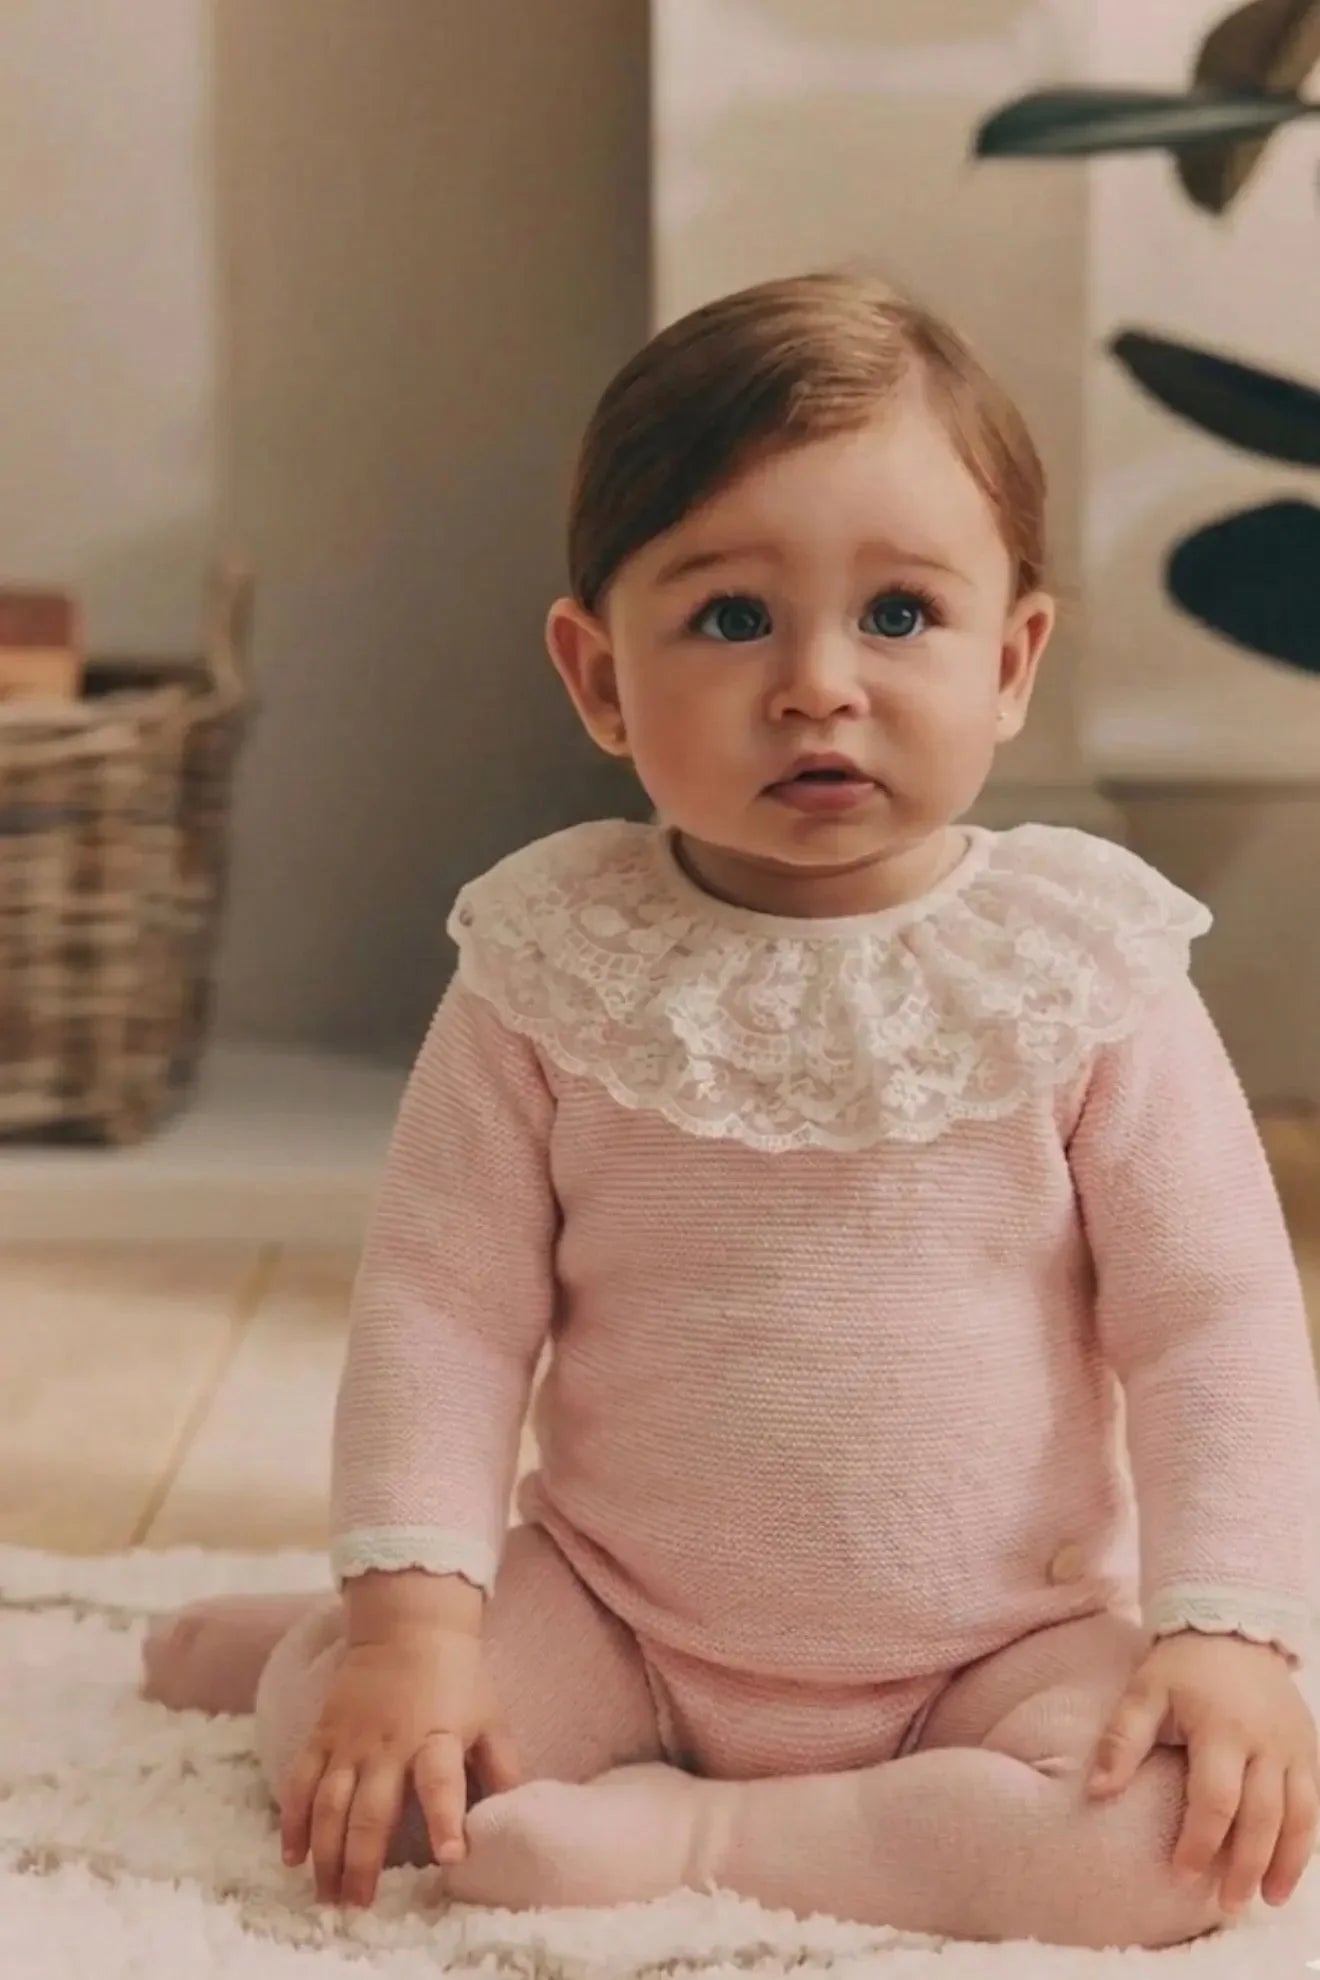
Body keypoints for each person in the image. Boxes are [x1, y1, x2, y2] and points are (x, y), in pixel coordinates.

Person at [142, 271, 1320, 1948]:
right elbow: (443, 1308)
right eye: (731, 617)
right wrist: (416, 1623)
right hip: (623, 1610)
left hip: (998, 1643)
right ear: (599, 674)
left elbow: (1214, 1324)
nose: (819, 683)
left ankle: (698, 1843)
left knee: (1182, 1847)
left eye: (901, 616)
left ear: (1014, 660)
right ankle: (314, 1641)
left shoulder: (1086, 968)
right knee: (378, 1760)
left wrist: (1226, 1631)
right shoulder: (553, 962)